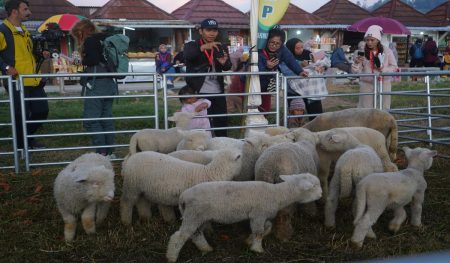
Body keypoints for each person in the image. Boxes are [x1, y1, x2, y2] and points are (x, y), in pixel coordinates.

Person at [0, 0, 48, 149]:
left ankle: (26, 139)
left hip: (33, 79)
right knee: (21, 115)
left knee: (42, 111)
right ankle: (22, 146)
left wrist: (41, 54)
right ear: (14, 11)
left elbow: (29, 54)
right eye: (25, 9)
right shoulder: (3, 30)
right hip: (17, 81)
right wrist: (6, 66)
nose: (29, 12)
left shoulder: (24, 30)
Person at [70, 19, 117, 157]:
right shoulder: (104, 39)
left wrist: (81, 60)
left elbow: (93, 60)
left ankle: (101, 152)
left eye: (77, 35)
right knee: (106, 118)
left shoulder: (90, 41)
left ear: (81, 32)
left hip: (96, 84)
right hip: (109, 83)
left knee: (91, 120)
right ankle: (109, 152)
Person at [258, 28, 308, 113]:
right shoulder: (259, 49)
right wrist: (267, 67)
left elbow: (290, 60)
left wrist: (300, 71)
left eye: (278, 43)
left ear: (281, 44)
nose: (274, 45)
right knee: (252, 106)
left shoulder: (282, 49)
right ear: (266, 40)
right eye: (271, 42)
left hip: (266, 84)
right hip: (252, 83)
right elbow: (253, 68)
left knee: (265, 109)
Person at [352, 25, 398, 110]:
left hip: (384, 83)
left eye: (372, 40)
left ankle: (382, 123)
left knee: (383, 108)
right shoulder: (361, 51)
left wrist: (383, 69)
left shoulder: (387, 51)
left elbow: (394, 67)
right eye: (367, 40)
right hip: (367, 83)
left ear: (378, 40)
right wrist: (356, 64)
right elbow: (356, 71)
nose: (369, 42)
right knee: (365, 109)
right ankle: (366, 123)